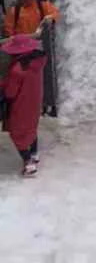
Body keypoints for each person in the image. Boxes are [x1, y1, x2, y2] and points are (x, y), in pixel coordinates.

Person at [0, 34, 46, 176]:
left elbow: (10, 93)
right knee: (32, 127)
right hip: (35, 101)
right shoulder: (38, 61)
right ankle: (34, 154)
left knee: (17, 133)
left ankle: (29, 163)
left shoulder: (18, 70)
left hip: (21, 104)